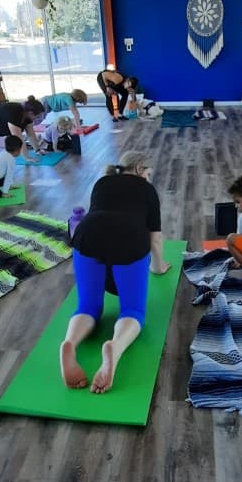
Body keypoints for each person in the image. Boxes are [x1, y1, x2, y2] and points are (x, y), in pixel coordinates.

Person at [59, 151, 170, 393]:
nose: (149, 179)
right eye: (148, 174)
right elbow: (156, 239)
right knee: (132, 310)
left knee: (88, 306)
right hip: (130, 239)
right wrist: (158, 267)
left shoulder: (102, 182)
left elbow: (98, 216)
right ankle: (115, 347)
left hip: (87, 234)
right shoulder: (147, 190)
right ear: (140, 169)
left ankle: (70, 343)